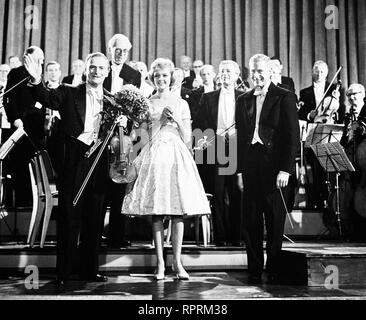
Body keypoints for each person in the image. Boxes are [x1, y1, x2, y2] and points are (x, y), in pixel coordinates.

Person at [24, 51, 118, 285]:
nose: (97, 72)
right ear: (86, 69)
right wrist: (37, 80)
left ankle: (89, 270)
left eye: (101, 68)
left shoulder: (112, 100)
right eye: (92, 67)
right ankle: (64, 272)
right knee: (69, 216)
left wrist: (121, 125)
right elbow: (47, 98)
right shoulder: (68, 91)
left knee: (94, 217)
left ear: (107, 72)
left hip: (98, 161)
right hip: (74, 160)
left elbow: (116, 136)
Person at [122, 58, 211, 281]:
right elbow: (142, 138)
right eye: (157, 76)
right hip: (154, 155)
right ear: (152, 78)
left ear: (170, 78)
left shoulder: (181, 103)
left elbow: (189, 139)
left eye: (165, 76)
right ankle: (160, 263)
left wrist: (178, 122)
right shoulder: (147, 102)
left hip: (176, 154)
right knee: (158, 211)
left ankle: (177, 262)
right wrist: (160, 121)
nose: (161, 79)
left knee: (177, 210)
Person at [235, 54, 299, 284]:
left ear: (271, 71)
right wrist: (240, 171)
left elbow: (292, 137)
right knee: (250, 221)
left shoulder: (285, 97)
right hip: (251, 165)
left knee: (273, 220)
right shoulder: (243, 99)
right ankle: (254, 271)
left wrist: (285, 170)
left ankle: (273, 269)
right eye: (253, 72)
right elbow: (241, 139)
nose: (257, 75)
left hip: (274, 167)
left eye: (261, 71)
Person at [194, 60, 243, 246]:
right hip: (217, 149)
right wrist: (205, 144)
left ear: (237, 75)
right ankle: (221, 238)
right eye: (222, 71)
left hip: (237, 150)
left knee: (237, 194)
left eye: (229, 71)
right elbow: (199, 126)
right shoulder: (209, 98)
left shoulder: (245, 97)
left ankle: (236, 237)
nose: (225, 75)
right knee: (218, 194)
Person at [103, 34, 141, 248]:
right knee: (101, 185)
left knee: (120, 184)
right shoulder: (101, 68)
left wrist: (128, 120)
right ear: (110, 49)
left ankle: (116, 235)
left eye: (125, 51)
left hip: (122, 136)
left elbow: (135, 105)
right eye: (118, 50)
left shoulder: (133, 74)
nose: (121, 54)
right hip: (101, 133)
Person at [3, 46, 46, 207]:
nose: (42, 60)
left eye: (42, 58)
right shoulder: (17, 73)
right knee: (21, 164)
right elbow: (9, 97)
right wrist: (15, 118)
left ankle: (36, 198)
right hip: (22, 124)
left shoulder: (39, 74)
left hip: (37, 127)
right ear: (27, 58)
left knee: (37, 162)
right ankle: (22, 200)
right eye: (38, 57)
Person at [340, 84, 366, 242]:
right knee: (350, 194)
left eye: (355, 94)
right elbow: (344, 140)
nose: (351, 98)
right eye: (349, 95)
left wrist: (362, 130)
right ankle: (353, 231)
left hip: (364, 160)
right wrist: (348, 133)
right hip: (351, 159)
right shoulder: (348, 115)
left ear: (363, 94)